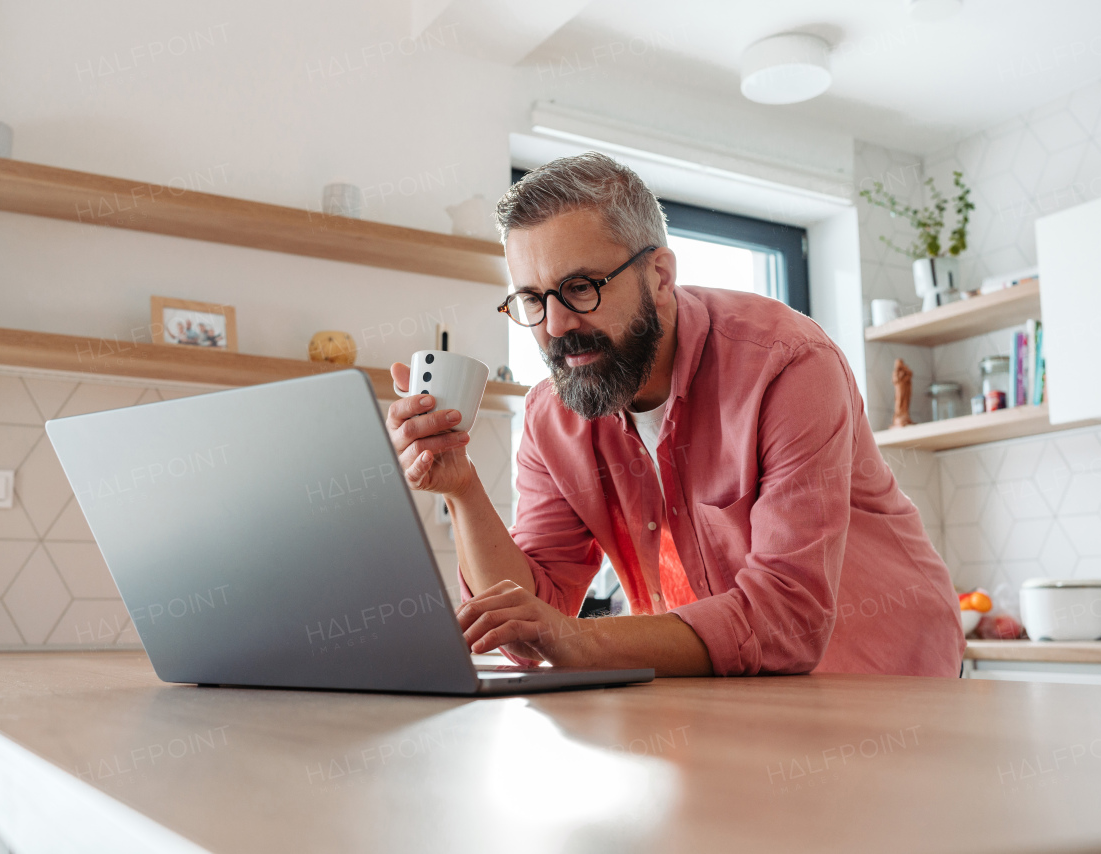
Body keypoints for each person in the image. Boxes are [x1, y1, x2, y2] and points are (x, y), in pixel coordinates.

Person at [386, 152, 963, 677]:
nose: (555, 326)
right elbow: (528, 621)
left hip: (893, 679)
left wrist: (580, 641)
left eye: (581, 287)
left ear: (660, 277)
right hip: (738, 693)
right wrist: (460, 488)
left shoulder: (788, 366)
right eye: (533, 300)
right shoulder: (552, 418)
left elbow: (787, 619)